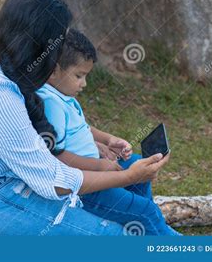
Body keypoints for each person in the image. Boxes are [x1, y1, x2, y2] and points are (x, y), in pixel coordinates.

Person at [0, 0, 170, 236]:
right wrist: (128, 177)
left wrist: (99, 146)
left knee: (131, 220)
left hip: (7, 173)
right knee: (117, 237)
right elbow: (52, 181)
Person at [36, 29, 181, 235]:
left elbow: (81, 127)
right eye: (79, 76)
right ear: (53, 71)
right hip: (85, 188)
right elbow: (57, 157)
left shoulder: (60, 95)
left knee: (136, 164)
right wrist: (99, 165)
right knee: (145, 211)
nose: (84, 84)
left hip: (96, 168)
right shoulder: (51, 102)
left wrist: (108, 139)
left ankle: (146, 223)